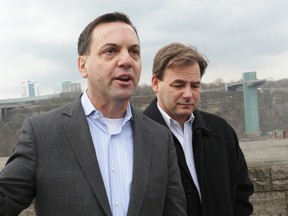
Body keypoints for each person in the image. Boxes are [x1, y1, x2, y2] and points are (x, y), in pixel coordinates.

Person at [0, 13, 187, 216]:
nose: (126, 60)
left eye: (134, 52)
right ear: (83, 65)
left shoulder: (159, 138)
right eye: (110, 51)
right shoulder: (42, 134)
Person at [144, 42, 254, 216]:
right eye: (178, 85)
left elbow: (241, 192)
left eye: (195, 85)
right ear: (156, 83)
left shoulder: (221, 131)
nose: (188, 94)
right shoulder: (137, 137)